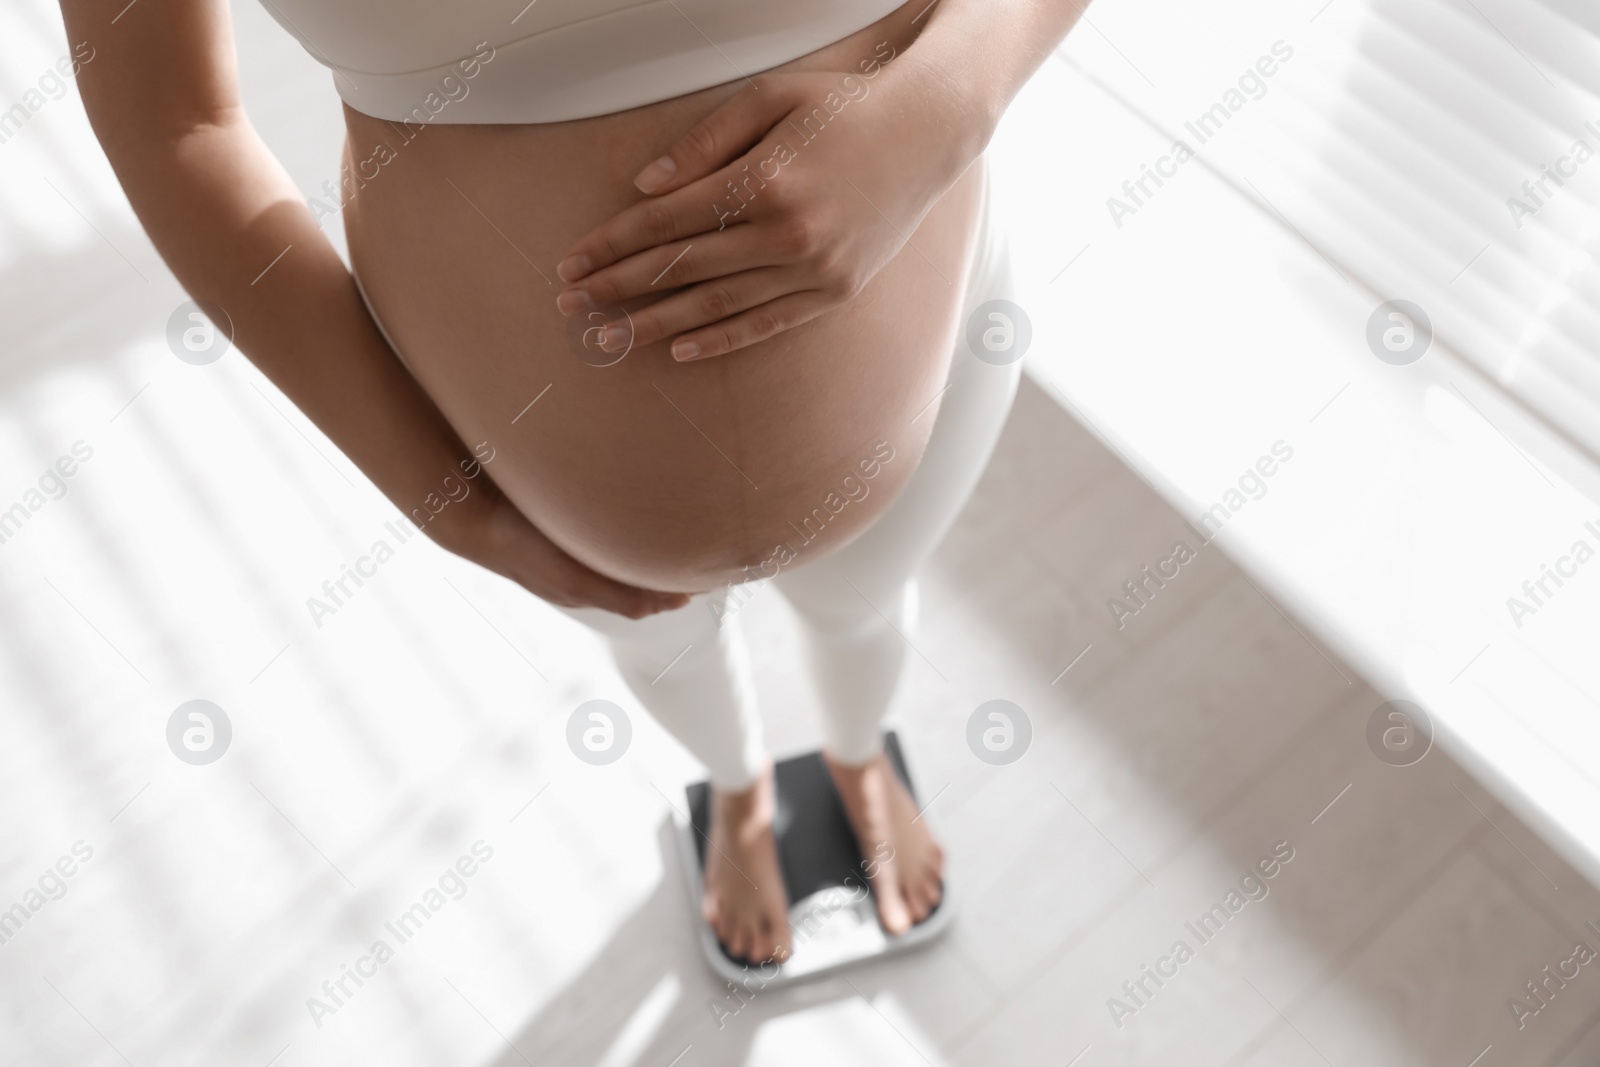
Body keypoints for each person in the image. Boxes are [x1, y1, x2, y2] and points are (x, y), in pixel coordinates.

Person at [61, 0, 1085, 965]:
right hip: (527, 468)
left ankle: (859, 756)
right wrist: (449, 503)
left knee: (863, 605)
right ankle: (738, 794)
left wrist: (948, 101)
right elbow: (175, 121)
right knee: (663, 639)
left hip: (926, 329)